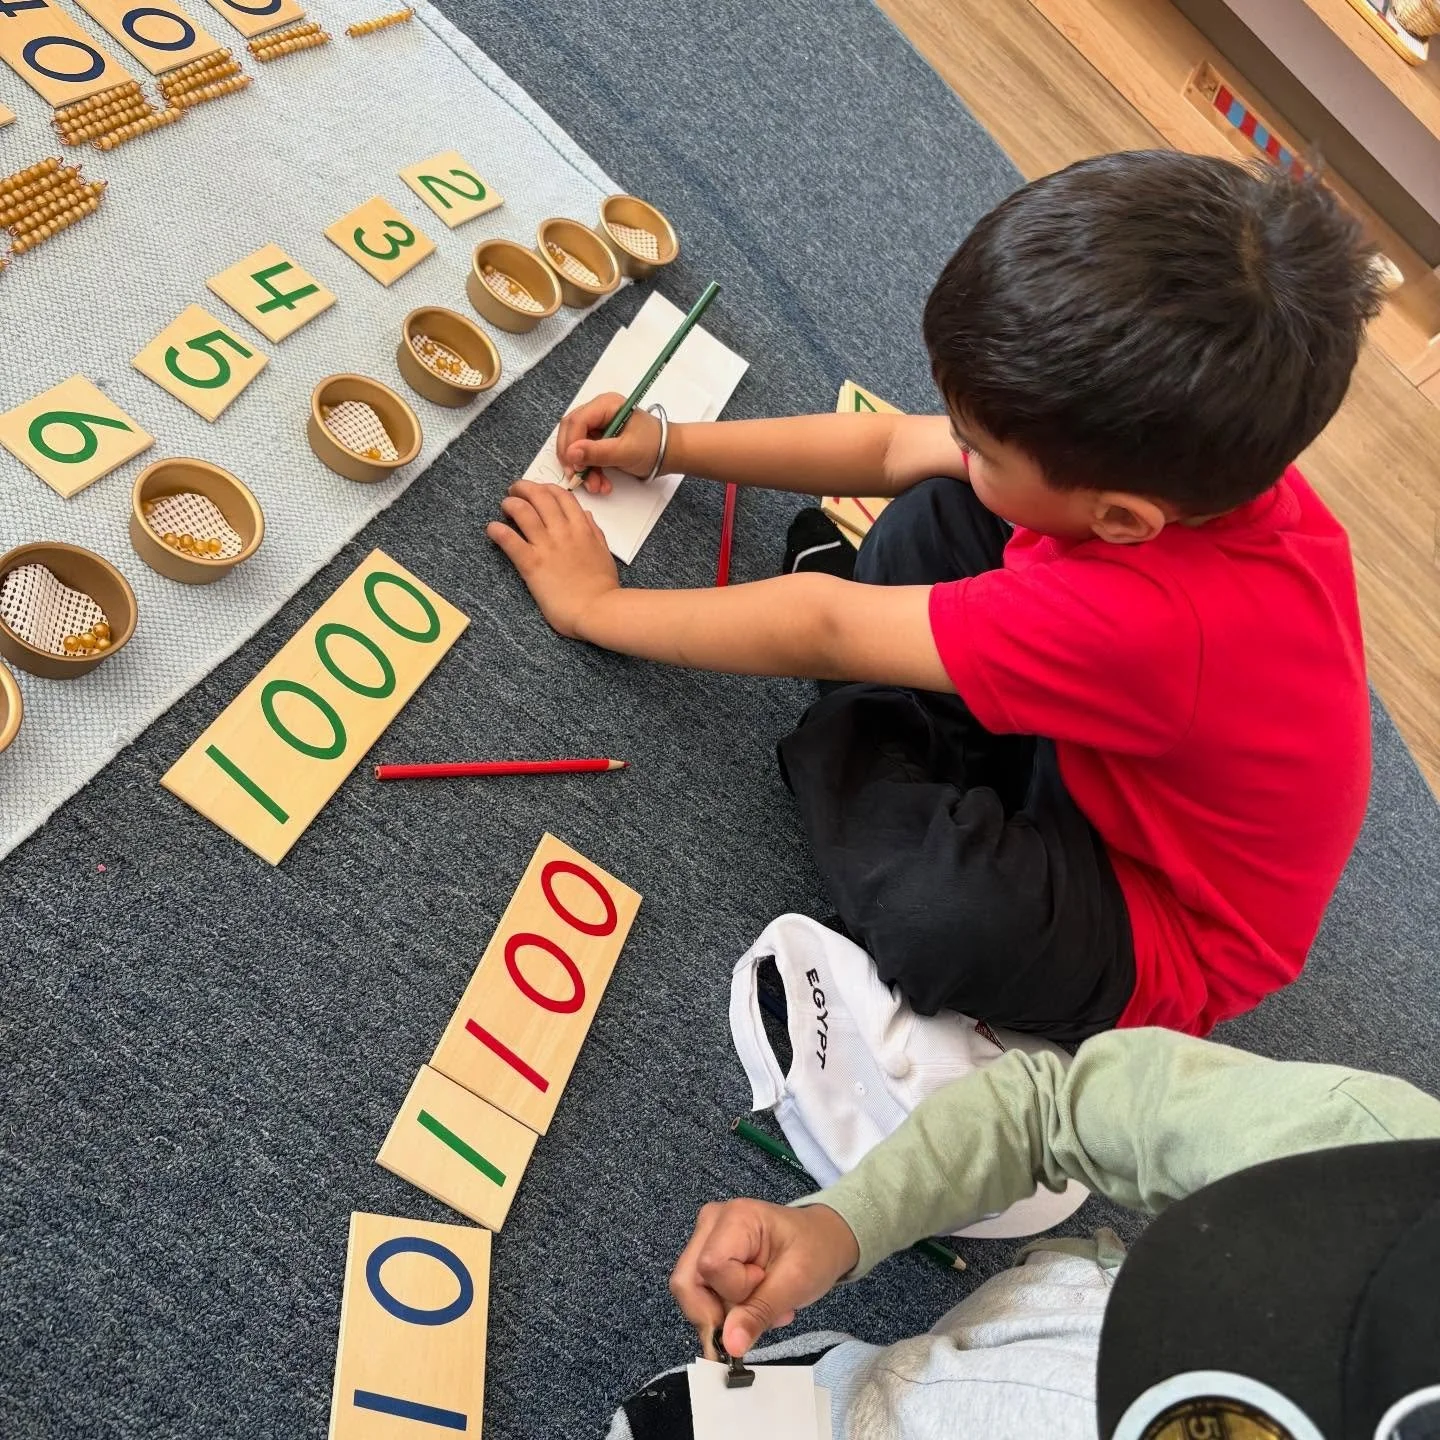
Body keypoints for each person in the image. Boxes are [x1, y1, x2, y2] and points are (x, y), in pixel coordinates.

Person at [487, 150, 1379, 1040]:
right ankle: (907, 731)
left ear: (1120, 519)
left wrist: (594, 607)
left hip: (1142, 914)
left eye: (981, 442)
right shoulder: (1188, 470)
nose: (957, 440)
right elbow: (885, 452)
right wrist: (668, 443)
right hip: (1108, 747)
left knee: (939, 912)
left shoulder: (1146, 619)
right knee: (935, 513)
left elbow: (828, 629)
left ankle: (880, 748)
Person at [608, 1027, 1440, 1440]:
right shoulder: (1364, 1156)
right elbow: (1048, 1110)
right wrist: (838, 1225)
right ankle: (852, 1383)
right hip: (986, 1369)